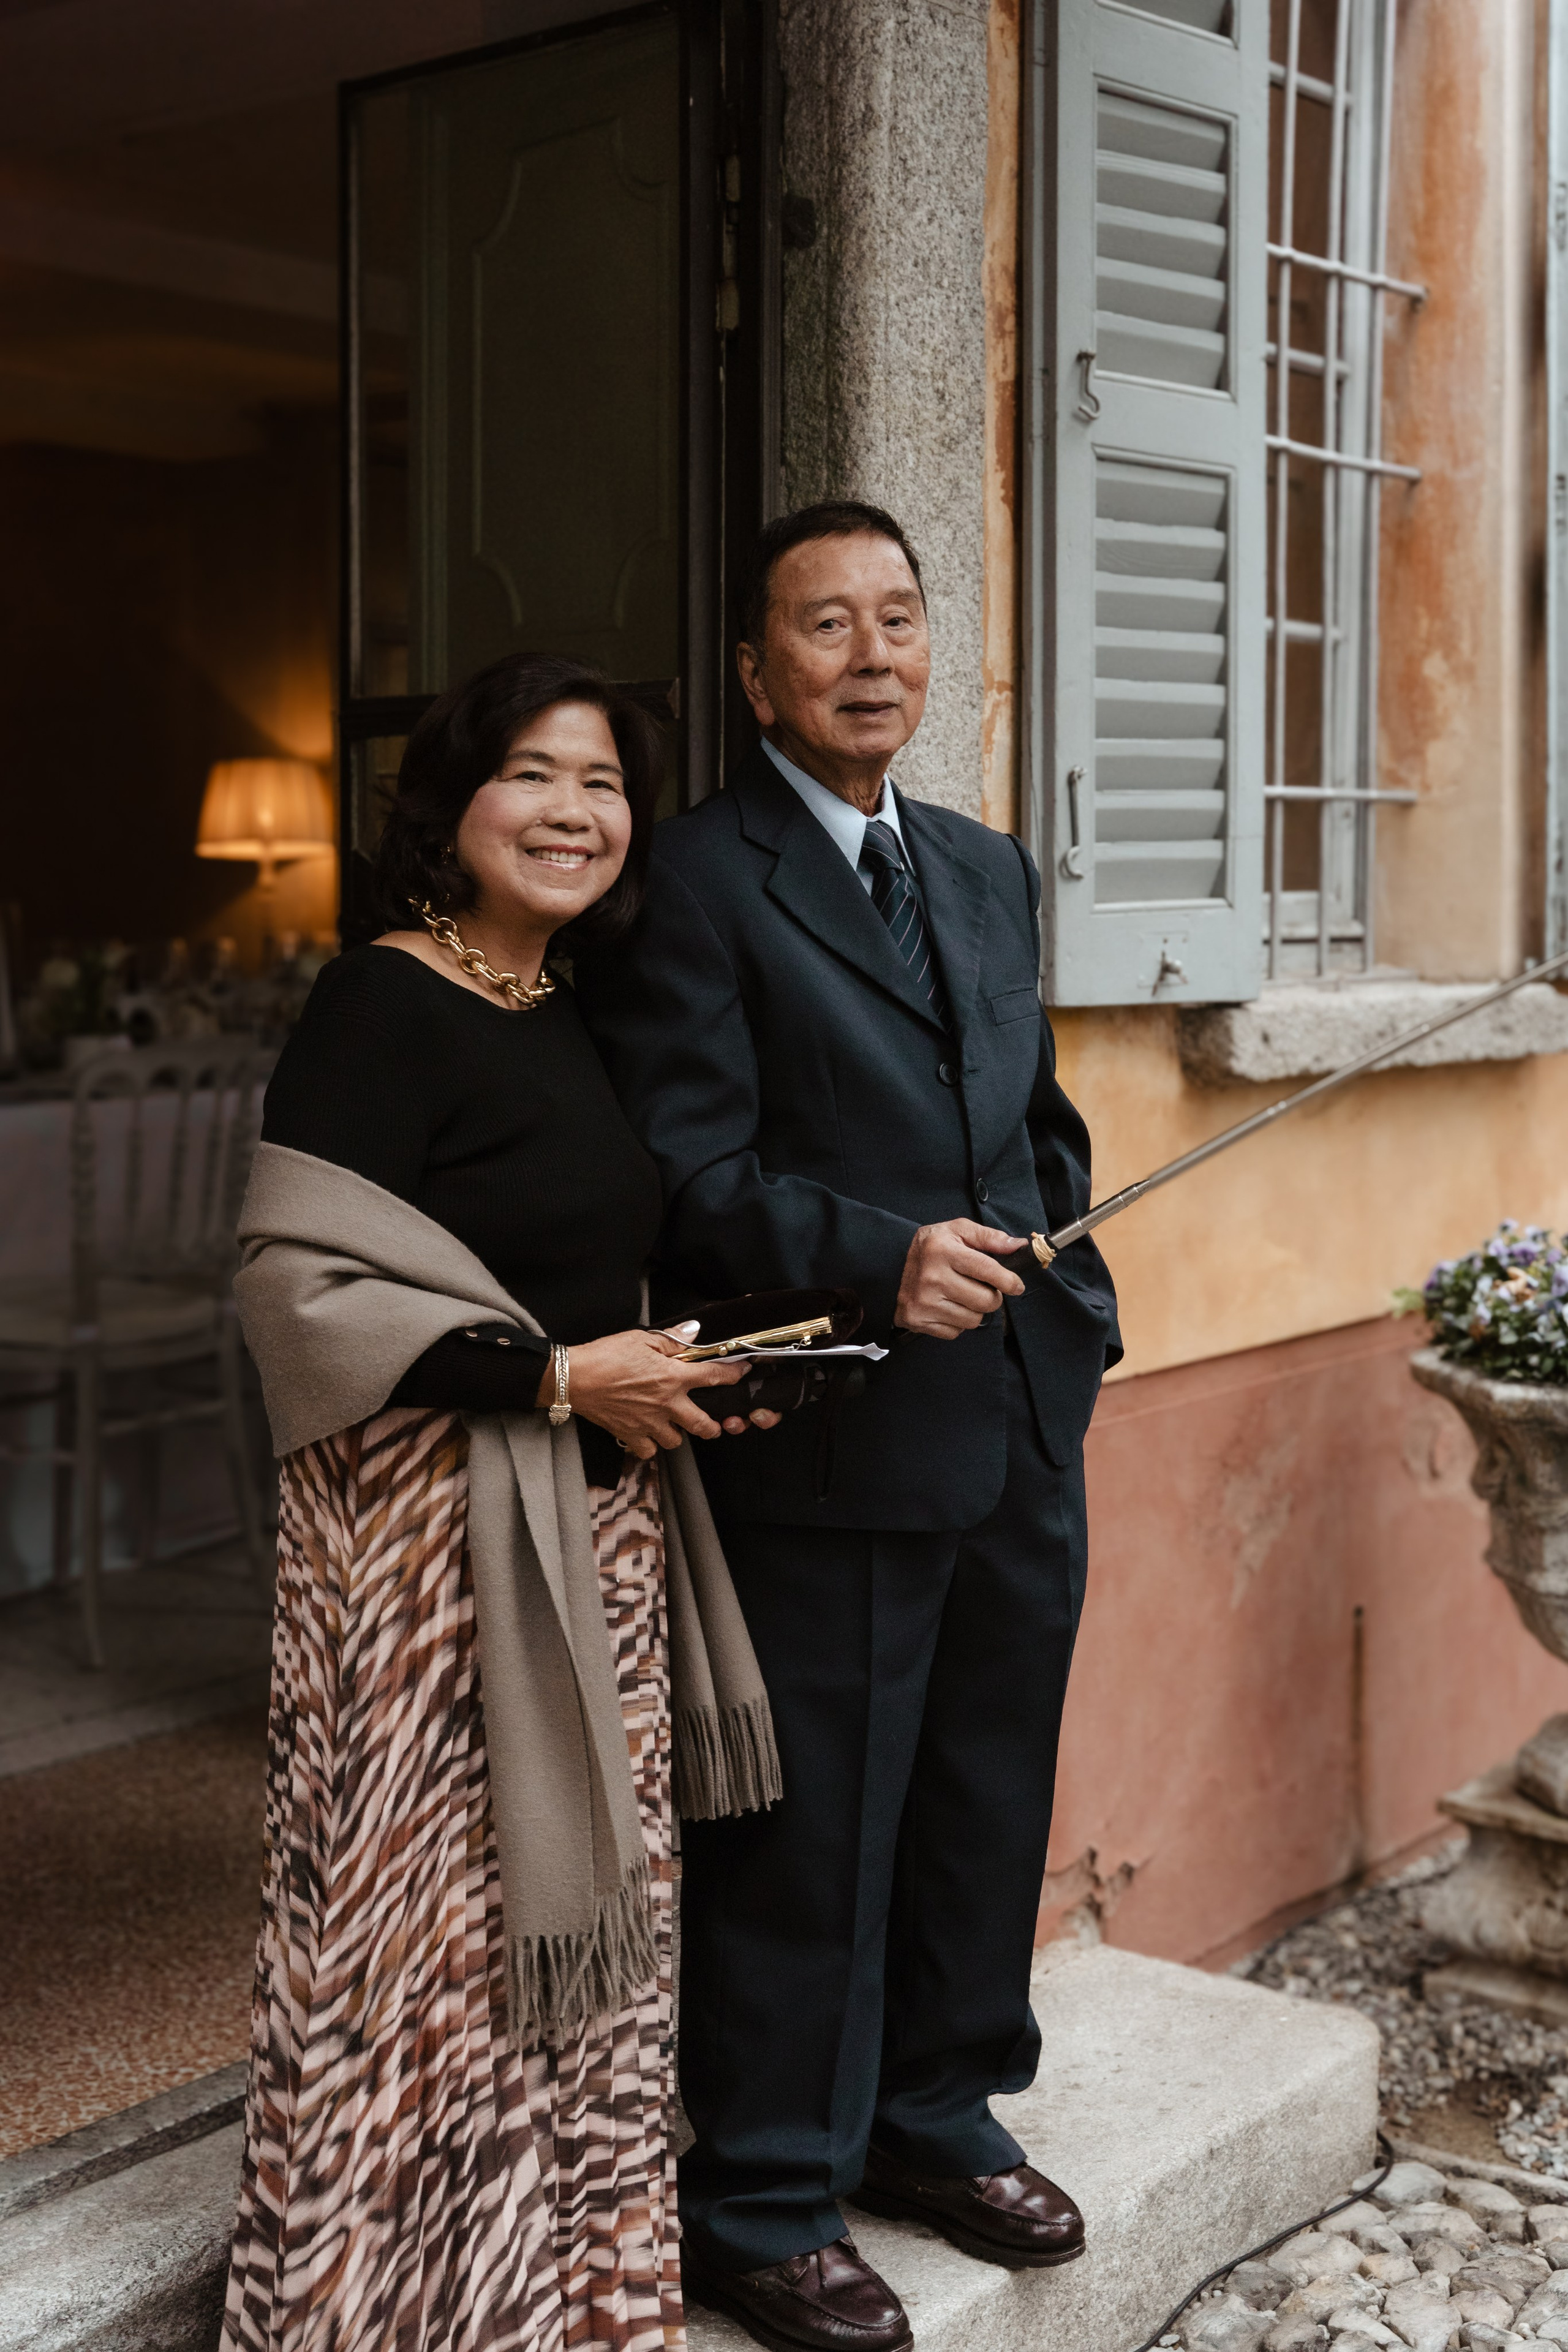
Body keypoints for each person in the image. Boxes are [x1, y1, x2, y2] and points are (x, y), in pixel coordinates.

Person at [575, 503, 1122, 2352]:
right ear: (756, 671)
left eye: (899, 616)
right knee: (814, 1836)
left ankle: (938, 2117)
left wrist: (1077, 1319)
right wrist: (884, 1259)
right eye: (826, 623)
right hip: (830, 1427)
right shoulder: (695, 883)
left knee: (986, 1789)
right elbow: (682, 1171)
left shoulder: (983, 864)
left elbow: (1038, 1122)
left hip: (1019, 1412)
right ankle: (764, 2196)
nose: (873, 652)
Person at [222, 652, 782, 2352]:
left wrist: (673, 1370)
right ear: (454, 805)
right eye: (534, 775)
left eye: (605, 784)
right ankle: (387, 2315)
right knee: (419, 1961)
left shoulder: (568, 1016)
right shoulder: (382, 1000)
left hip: (588, 1540)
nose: (572, 812)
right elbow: (293, 1283)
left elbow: (565, 1273)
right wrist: (554, 1380)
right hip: (423, 1573)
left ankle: (561, 2305)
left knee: (583, 1940)